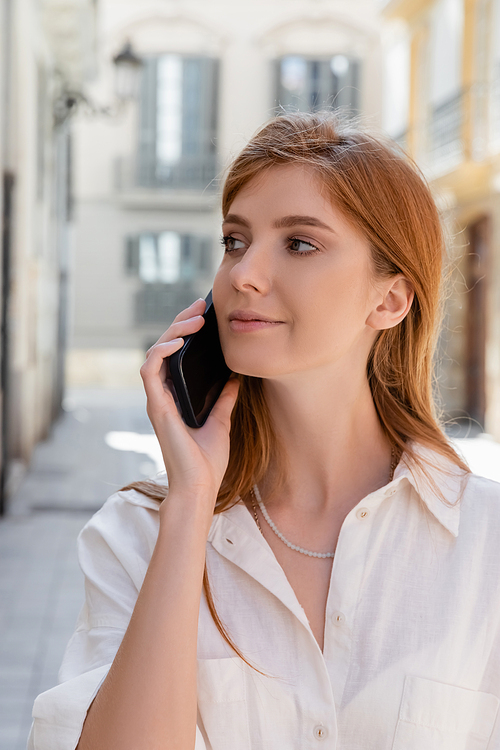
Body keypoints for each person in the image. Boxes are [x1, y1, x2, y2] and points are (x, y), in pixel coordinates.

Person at [28, 112, 500, 750]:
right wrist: (192, 504)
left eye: (299, 243)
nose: (243, 274)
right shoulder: (137, 534)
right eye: (235, 241)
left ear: (389, 300)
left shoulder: (484, 547)